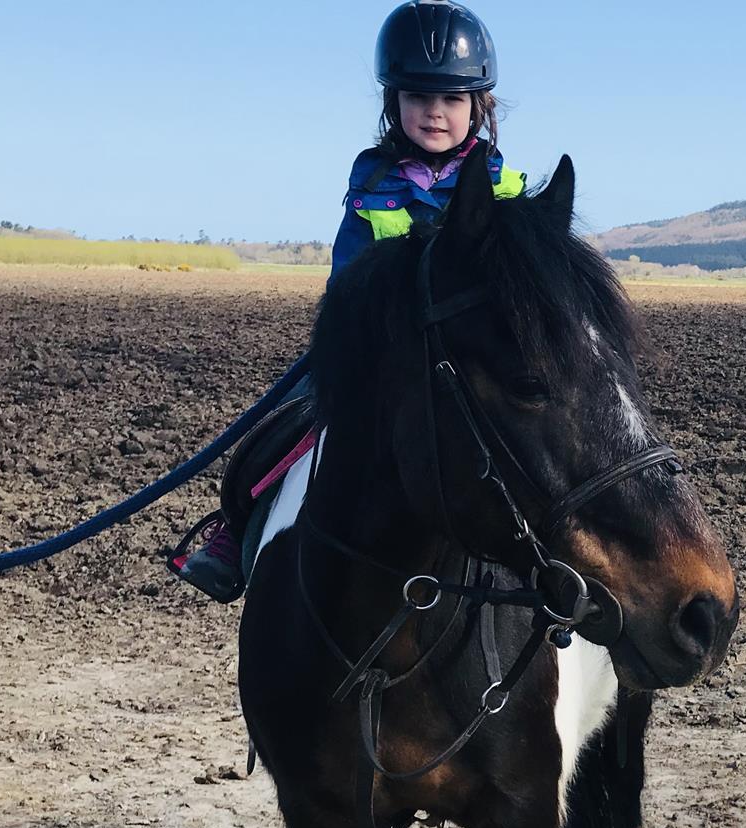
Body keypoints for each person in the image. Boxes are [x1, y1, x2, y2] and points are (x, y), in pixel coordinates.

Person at [172, 0, 527, 602]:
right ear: (394, 103)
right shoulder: (372, 184)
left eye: (450, 100)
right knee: (288, 421)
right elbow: (348, 277)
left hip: (474, 363)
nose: (433, 113)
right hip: (382, 355)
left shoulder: (507, 189)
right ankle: (236, 531)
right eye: (417, 97)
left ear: (478, 107)